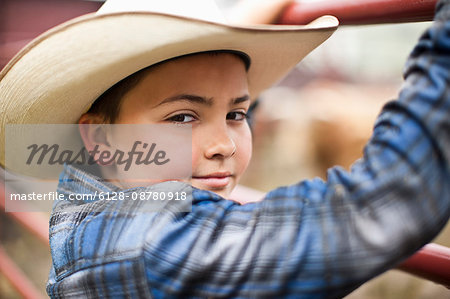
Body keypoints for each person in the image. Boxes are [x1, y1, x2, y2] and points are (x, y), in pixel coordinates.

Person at [0, 0, 448, 298]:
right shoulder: (144, 244)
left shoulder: (97, 200)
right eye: (182, 118)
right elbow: (380, 207)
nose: (223, 146)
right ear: (98, 139)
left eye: (238, 115)